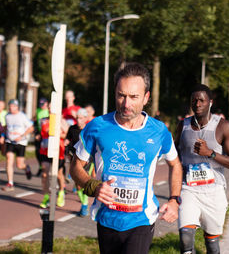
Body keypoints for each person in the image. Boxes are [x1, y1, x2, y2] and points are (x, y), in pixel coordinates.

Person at [70, 62, 182, 254]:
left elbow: (176, 164)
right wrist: (92, 186)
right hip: (107, 218)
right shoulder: (97, 126)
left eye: (133, 97)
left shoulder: (159, 131)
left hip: (141, 220)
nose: (126, 103)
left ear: (146, 97)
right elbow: (75, 167)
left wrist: (173, 199)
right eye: (121, 95)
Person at [175, 84, 229, 254]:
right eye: (194, 100)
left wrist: (210, 154)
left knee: (212, 244)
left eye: (201, 100)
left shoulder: (223, 126)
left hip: (214, 190)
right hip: (188, 189)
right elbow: (173, 158)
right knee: (185, 237)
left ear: (210, 102)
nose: (197, 104)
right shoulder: (183, 126)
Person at [0, 99, 34, 191]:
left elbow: (31, 128)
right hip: (10, 141)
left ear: (17, 107)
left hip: (21, 142)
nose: (11, 108)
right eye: (10, 106)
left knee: (19, 165)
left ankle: (26, 168)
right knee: (9, 160)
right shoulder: (7, 116)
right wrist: (3, 135)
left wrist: (22, 136)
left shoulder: (22, 116)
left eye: (13, 106)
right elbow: (6, 127)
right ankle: (10, 183)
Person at [65, 108, 92, 216]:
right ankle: (84, 204)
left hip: (86, 160)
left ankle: (84, 206)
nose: (79, 120)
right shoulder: (72, 128)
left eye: (81, 118)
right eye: (77, 118)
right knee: (77, 184)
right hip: (73, 158)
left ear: (85, 118)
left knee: (82, 183)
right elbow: (67, 140)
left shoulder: (89, 130)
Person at [38, 114, 68, 208]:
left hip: (58, 150)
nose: (51, 109)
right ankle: (46, 197)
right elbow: (41, 133)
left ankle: (61, 192)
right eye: (50, 107)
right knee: (44, 173)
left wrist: (58, 134)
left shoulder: (62, 120)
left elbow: (67, 135)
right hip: (45, 150)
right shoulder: (44, 120)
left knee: (59, 174)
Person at [34, 98, 50, 176]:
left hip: (48, 134)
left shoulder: (49, 111)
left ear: (47, 103)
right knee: (38, 151)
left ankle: (49, 168)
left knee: (48, 152)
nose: (42, 106)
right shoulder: (38, 111)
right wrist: (36, 132)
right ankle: (41, 166)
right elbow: (36, 122)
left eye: (43, 104)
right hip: (40, 133)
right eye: (41, 104)